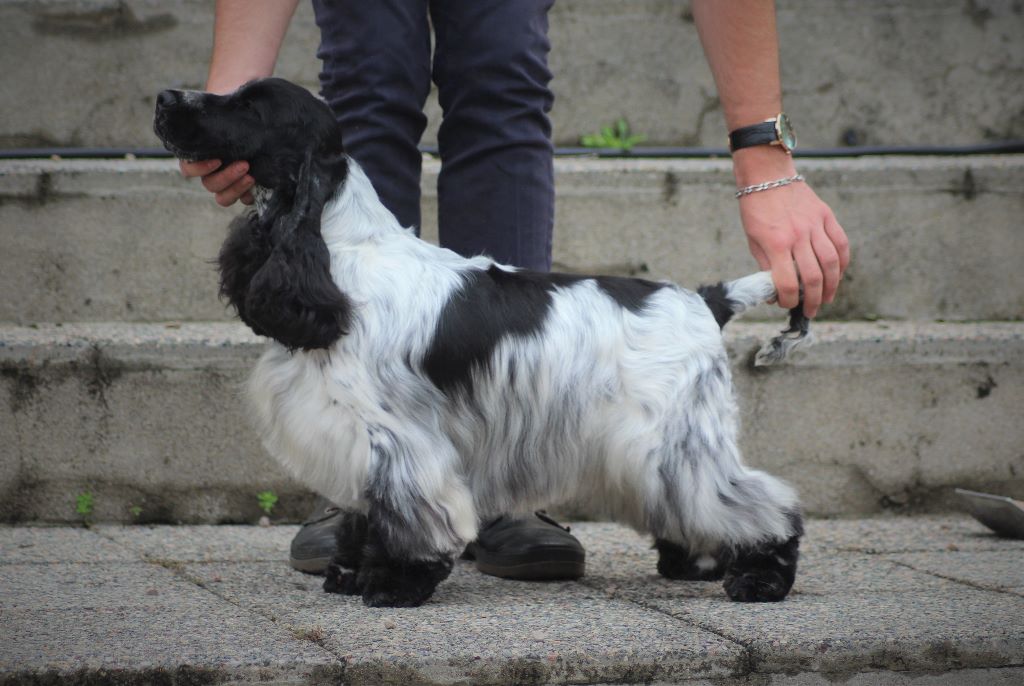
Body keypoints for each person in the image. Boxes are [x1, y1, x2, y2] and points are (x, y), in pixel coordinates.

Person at [179, 0, 849, 581]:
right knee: (369, 72)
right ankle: (384, 496)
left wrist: (766, 158)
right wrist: (235, 94)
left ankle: (700, 527)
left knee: (500, 71)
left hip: (655, 319)